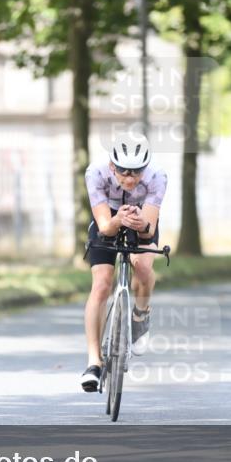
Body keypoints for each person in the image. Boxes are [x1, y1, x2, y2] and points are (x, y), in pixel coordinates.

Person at [80, 132, 167, 392]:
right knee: (102, 284)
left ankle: (141, 314)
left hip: (141, 219)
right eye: (123, 171)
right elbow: (105, 226)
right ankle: (94, 362)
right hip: (108, 218)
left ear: (145, 167)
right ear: (111, 166)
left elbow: (148, 232)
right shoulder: (94, 173)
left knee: (142, 266)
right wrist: (118, 221)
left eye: (136, 172)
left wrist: (141, 224)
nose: (129, 178)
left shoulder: (157, 177)